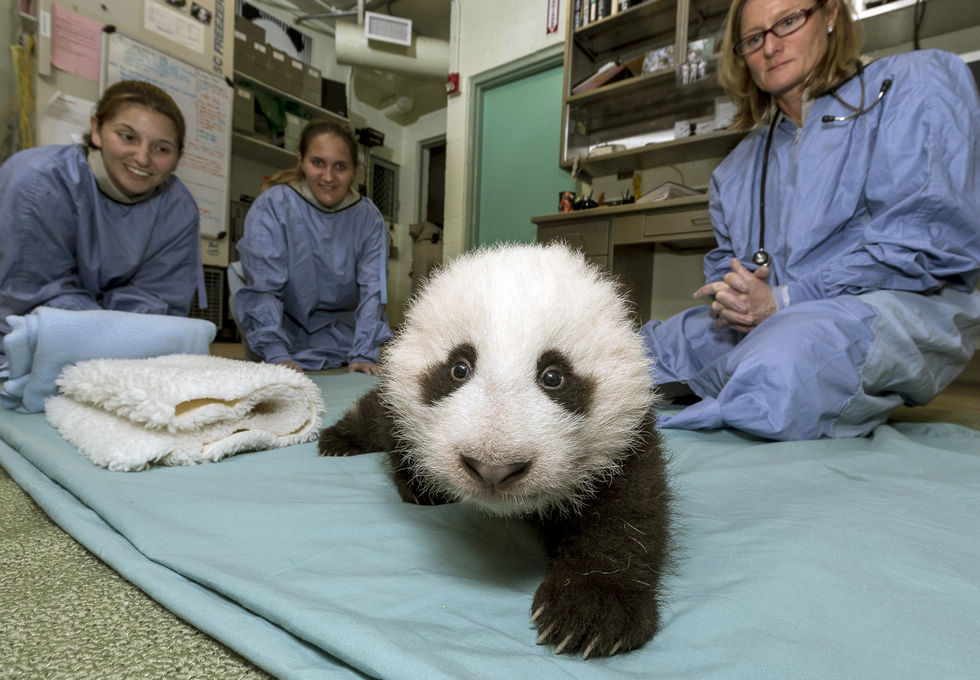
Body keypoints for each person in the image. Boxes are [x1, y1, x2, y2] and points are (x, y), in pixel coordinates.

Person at [640, 0, 980, 440]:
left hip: (893, 308)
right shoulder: (736, 168)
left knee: (783, 361)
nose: (771, 47)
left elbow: (927, 242)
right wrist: (735, 297)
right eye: (754, 38)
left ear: (831, 14)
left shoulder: (915, 86)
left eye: (787, 22)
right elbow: (731, 268)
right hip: (771, 322)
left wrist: (785, 300)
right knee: (642, 351)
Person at [0, 80, 203, 370]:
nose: (142, 158)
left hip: (118, 359)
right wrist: (113, 332)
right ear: (96, 130)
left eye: (161, 148)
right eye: (128, 137)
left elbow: (159, 305)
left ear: (178, 157)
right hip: (20, 352)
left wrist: (110, 336)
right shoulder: (37, 180)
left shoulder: (178, 207)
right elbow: (33, 300)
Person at [232, 119, 392, 375]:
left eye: (340, 166)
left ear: (355, 170)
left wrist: (365, 352)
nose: (328, 177)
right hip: (281, 326)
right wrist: (275, 351)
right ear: (301, 161)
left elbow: (373, 292)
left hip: (342, 334)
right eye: (318, 163)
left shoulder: (369, 218)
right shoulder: (272, 206)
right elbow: (264, 288)